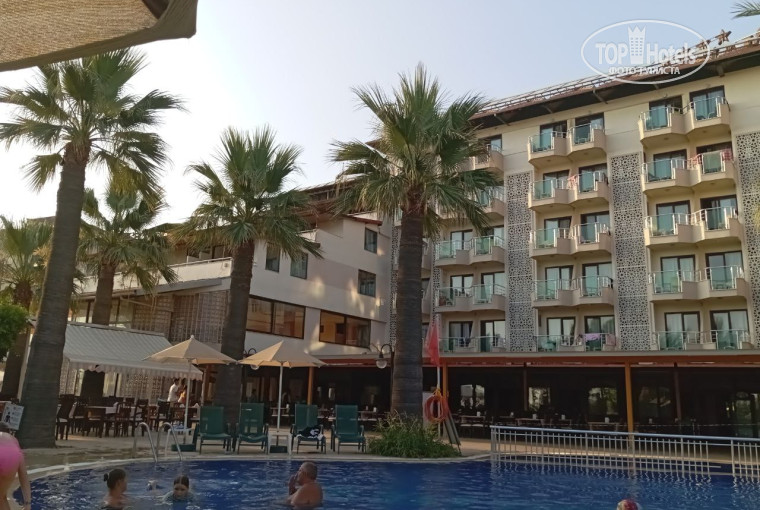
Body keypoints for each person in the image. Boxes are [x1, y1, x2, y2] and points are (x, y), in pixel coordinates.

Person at [0, 423, 31, 510]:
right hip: (12, 458)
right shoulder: (13, 440)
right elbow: (23, 475)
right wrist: (27, 503)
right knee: (2, 498)